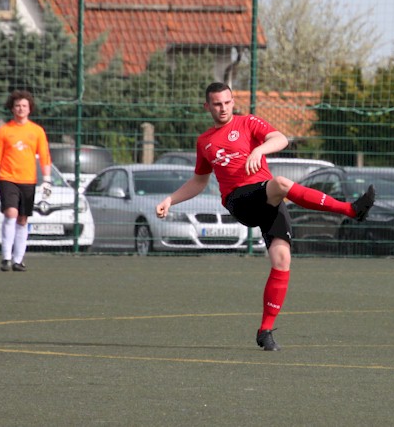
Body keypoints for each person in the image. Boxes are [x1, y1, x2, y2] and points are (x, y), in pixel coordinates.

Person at [155, 82, 375, 351]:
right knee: (280, 183)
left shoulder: (248, 123)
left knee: (282, 260)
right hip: (239, 200)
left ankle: (265, 331)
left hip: (268, 198)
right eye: (217, 104)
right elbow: (199, 181)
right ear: (207, 107)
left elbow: (281, 139)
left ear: (233, 102)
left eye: (227, 102)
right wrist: (170, 199)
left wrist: (258, 150)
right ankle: (351, 210)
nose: (223, 108)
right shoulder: (205, 142)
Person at [0, 90, 52, 272]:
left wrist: (47, 180)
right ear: (12, 108)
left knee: (23, 219)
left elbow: (45, 156)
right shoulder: (4, 131)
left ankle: (18, 260)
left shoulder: (37, 131)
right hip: (8, 178)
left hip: (28, 180)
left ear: (29, 109)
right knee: (11, 214)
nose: (21, 109)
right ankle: (6, 258)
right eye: (17, 106)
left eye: (24, 106)